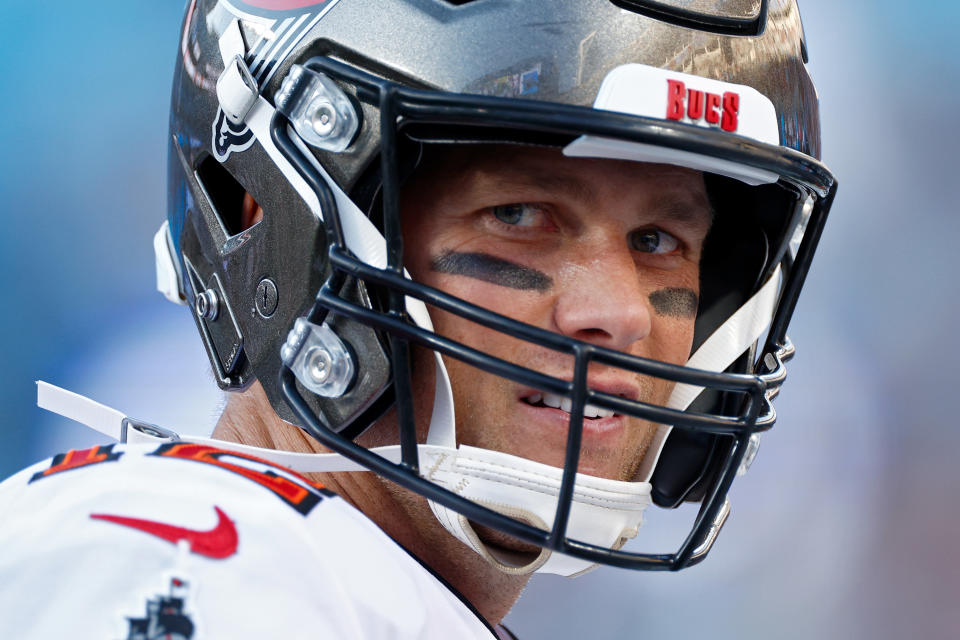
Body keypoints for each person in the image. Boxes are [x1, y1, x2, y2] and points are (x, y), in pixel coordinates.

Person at [0, 1, 836, 638]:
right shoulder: (177, 566)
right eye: (518, 214)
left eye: (658, 239)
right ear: (272, 221)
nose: (615, 312)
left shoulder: (351, 590)